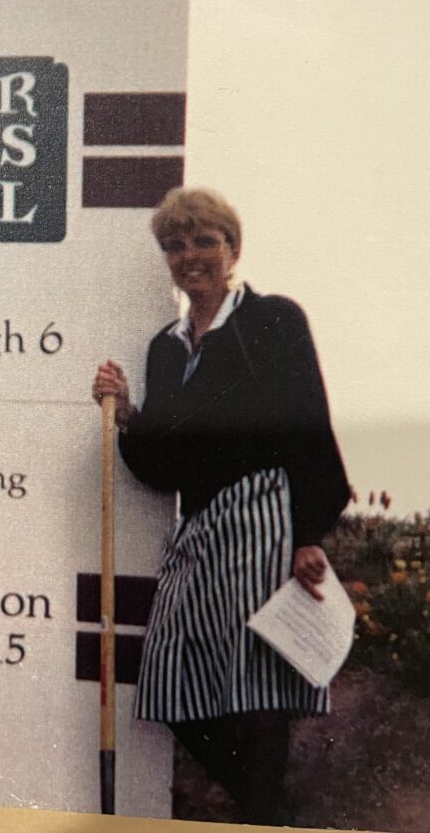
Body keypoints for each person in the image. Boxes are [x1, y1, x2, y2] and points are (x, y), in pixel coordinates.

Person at [92, 188, 350, 825]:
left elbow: (309, 426)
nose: (190, 256)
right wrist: (127, 416)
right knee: (169, 685)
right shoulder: (166, 347)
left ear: (233, 250)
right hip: (201, 527)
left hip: (265, 518)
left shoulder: (273, 320)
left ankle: (263, 814)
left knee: (258, 691)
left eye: (205, 241)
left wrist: (308, 533)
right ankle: (271, 814)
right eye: (175, 246)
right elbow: (163, 469)